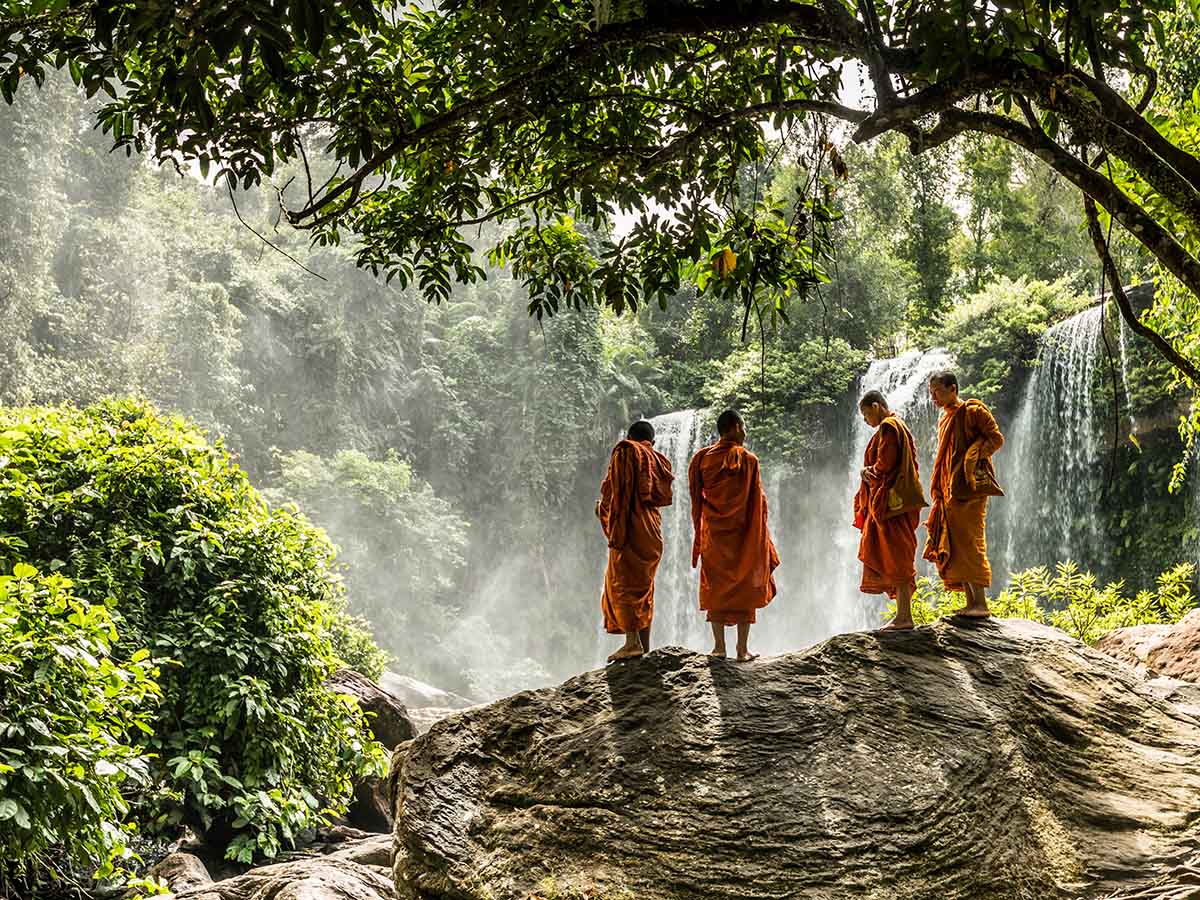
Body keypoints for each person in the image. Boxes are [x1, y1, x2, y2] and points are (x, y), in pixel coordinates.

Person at [687, 409, 779, 662]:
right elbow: (758, 502)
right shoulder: (748, 460)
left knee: (715, 585)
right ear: (736, 426)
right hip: (743, 536)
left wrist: (699, 530)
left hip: (714, 535)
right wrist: (760, 537)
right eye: (744, 427)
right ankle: (742, 649)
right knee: (744, 585)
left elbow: (696, 500)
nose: (745, 432)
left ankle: (718, 647)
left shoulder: (702, 459)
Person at [923, 371, 1005, 619]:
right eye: (931, 393)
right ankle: (971, 602)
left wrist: (974, 455)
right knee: (957, 545)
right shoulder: (944, 418)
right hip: (950, 490)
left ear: (953, 389)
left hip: (970, 490)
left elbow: (996, 439)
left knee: (971, 542)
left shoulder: (973, 411)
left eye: (937, 391)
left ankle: (981, 604)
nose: (933, 397)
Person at [596, 419, 674, 662]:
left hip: (630, 528)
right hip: (652, 531)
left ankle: (632, 642)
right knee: (645, 588)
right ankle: (644, 645)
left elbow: (617, 493)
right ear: (652, 441)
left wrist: (602, 511)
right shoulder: (658, 459)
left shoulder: (626, 451)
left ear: (630, 436)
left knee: (624, 583)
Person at [853, 390, 928, 630]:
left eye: (866, 415)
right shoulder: (900, 426)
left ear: (876, 406)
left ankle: (904, 616)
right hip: (896, 505)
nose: (866, 421)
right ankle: (903, 614)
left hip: (891, 507)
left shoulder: (889, 428)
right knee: (898, 555)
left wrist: (866, 472)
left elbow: (885, 466)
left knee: (898, 556)